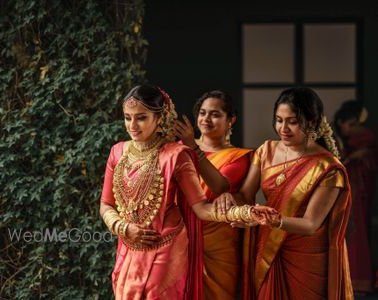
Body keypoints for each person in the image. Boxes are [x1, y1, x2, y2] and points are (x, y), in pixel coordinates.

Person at [99, 84, 262, 300]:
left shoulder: (177, 154)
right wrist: (124, 228)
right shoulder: (117, 152)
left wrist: (243, 214)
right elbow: (106, 205)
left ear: (159, 118)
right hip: (128, 248)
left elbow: (202, 208)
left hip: (166, 248)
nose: (132, 125)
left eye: (141, 118)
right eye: (128, 117)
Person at [216, 87, 353, 299]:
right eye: (279, 120)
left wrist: (271, 221)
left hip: (306, 258)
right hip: (269, 246)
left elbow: (310, 224)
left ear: (312, 122)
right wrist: (228, 196)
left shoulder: (327, 168)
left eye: (292, 121)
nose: (283, 128)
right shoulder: (267, 151)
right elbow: (245, 195)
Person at [175, 90, 251, 299]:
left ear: (231, 120)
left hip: (219, 246)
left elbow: (219, 187)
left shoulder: (240, 156)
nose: (206, 119)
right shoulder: (177, 150)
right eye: (202, 113)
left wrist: (194, 149)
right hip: (180, 239)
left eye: (215, 114)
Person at [334, 100, 378, 293]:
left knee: (356, 231)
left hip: (358, 192)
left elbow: (368, 166)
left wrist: (351, 158)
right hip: (350, 189)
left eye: (350, 124)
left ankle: (359, 279)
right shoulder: (352, 142)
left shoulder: (366, 139)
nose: (345, 128)